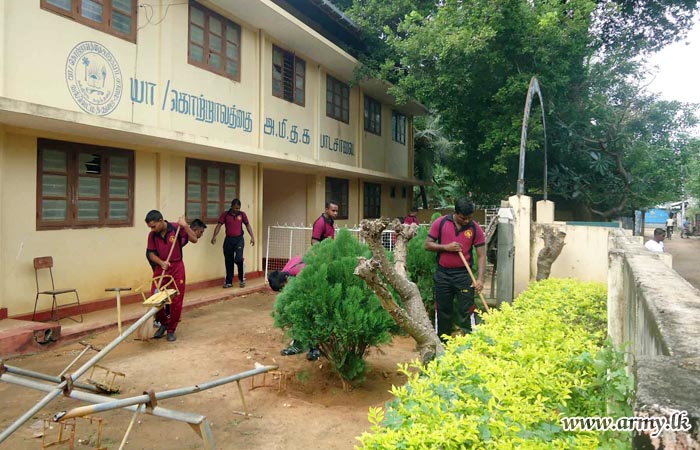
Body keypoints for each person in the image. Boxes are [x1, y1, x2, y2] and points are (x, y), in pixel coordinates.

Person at [425, 198, 486, 342]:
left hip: (464, 275)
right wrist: (445, 247)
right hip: (443, 275)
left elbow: (482, 255)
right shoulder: (440, 223)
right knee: (443, 311)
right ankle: (442, 345)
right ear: (455, 213)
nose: (467, 221)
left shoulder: (475, 228)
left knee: (466, 311)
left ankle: (470, 345)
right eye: (464, 218)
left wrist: (480, 279)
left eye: (470, 218)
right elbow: (427, 245)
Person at [145, 211, 199, 342]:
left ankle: (171, 329)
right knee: (155, 297)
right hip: (162, 267)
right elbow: (151, 253)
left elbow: (194, 239)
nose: (152, 230)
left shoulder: (176, 228)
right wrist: (160, 262)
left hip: (177, 267)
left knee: (176, 299)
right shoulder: (152, 235)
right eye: (150, 227)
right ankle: (163, 323)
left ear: (161, 220)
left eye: (153, 226)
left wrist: (185, 226)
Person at [154, 218, 207, 330]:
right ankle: (160, 320)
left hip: (170, 265)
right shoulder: (180, 232)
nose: (201, 235)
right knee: (159, 291)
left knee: (170, 291)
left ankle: (168, 317)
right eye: (201, 232)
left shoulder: (183, 237)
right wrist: (161, 263)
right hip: (159, 263)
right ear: (194, 229)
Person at [267, 255, 313, 358]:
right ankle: (299, 342)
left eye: (282, 287)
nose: (283, 291)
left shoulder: (301, 274)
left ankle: (313, 347)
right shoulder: (284, 274)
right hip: (303, 264)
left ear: (286, 280)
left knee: (308, 312)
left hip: (316, 274)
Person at [211, 199, 255, 288]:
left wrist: (252, 237)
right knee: (228, 260)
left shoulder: (242, 215)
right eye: (236, 208)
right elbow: (219, 225)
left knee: (238, 259)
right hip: (228, 240)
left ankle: (242, 279)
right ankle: (228, 282)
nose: (237, 210)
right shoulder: (225, 215)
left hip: (239, 240)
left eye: (239, 208)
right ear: (231, 206)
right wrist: (214, 236)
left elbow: (247, 225)